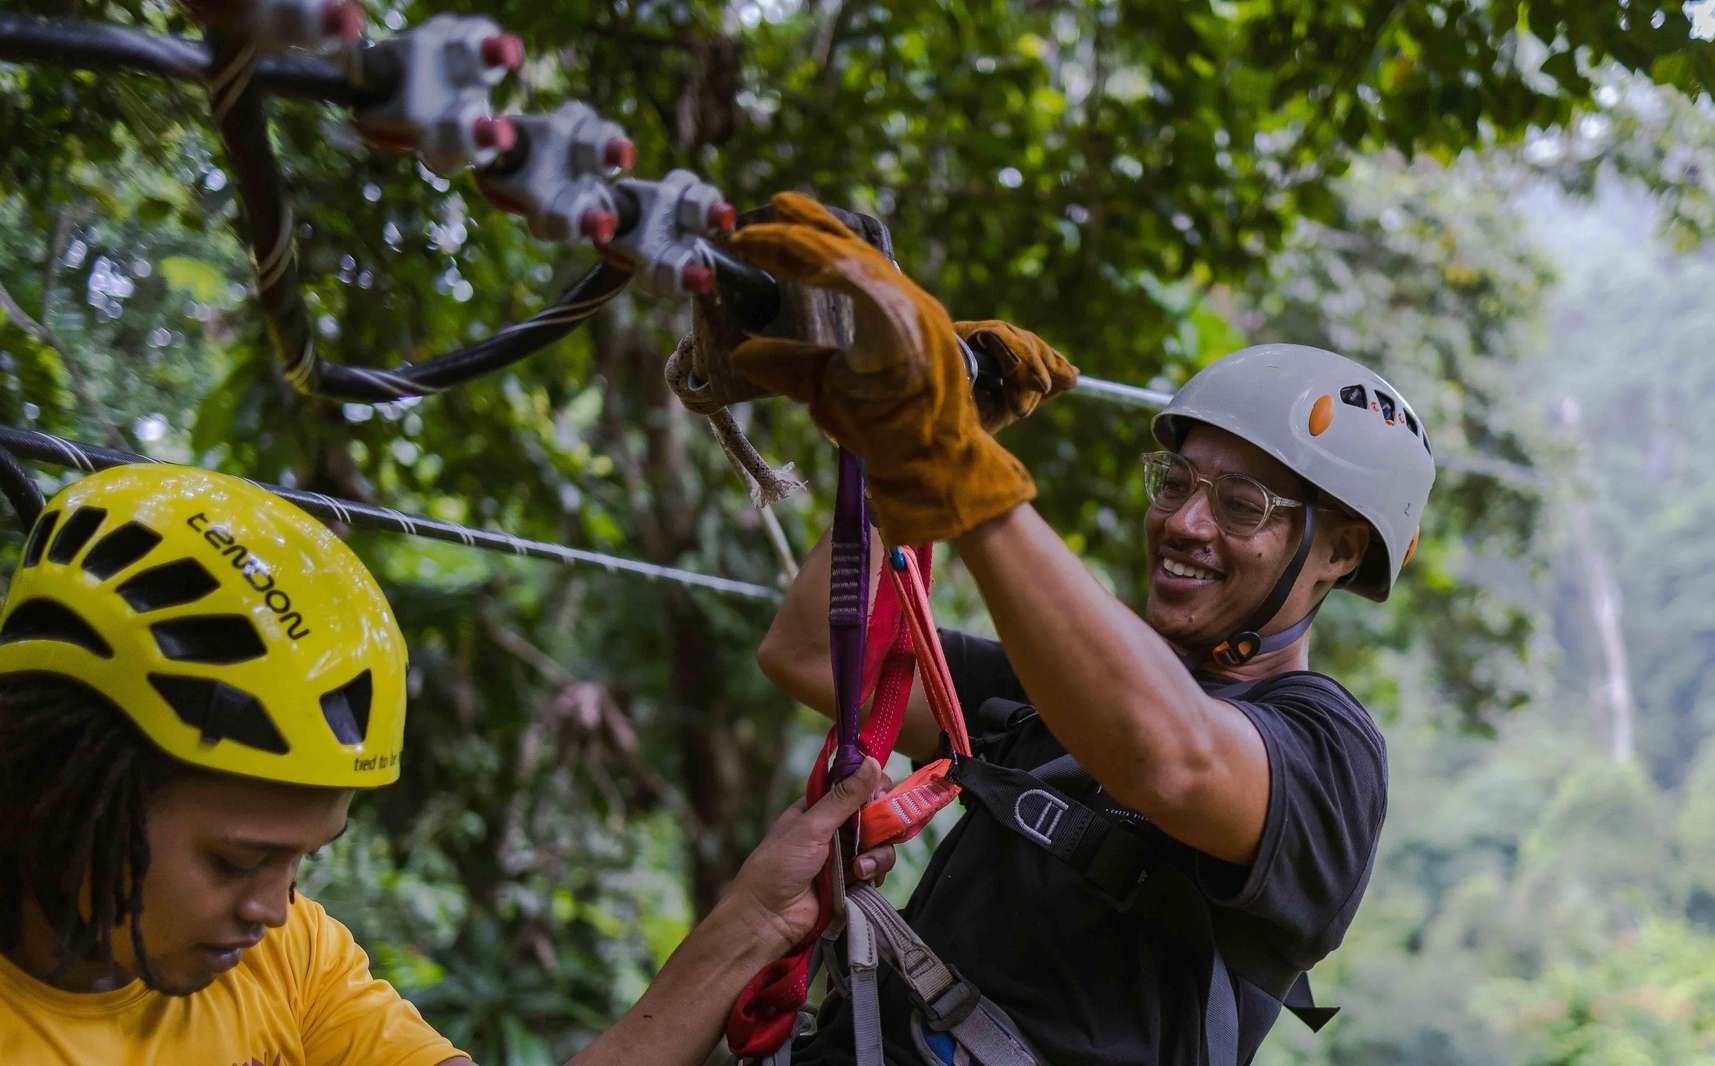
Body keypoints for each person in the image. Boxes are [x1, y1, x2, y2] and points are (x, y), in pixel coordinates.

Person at [740, 192, 1432, 1064]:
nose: (1185, 522)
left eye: (1241, 505)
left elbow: (1168, 758)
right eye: (1176, 483)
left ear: (1338, 551)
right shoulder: (1051, 690)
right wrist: (904, 451)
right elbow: (807, 653)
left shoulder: (1326, 750)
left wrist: (957, 456)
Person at [0, 463, 897, 1066]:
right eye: (237, 860)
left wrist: (760, 917)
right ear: (66, 785)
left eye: (304, 859)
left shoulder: (288, 962)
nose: (272, 908)